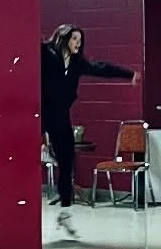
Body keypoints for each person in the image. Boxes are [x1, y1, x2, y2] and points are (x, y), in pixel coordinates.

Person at [41, 23, 136, 237]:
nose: (78, 44)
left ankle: (65, 212)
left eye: (80, 40)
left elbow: (101, 68)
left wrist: (128, 74)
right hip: (39, 112)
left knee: (67, 162)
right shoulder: (45, 53)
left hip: (60, 116)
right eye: (74, 39)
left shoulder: (77, 63)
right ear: (64, 38)